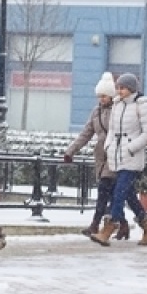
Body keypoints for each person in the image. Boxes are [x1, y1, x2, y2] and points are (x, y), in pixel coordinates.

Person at [91, 72, 147, 246]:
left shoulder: (142, 105)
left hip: (131, 157)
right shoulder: (117, 105)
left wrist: (132, 147)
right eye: (118, 87)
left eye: (122, 88)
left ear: (131, 88)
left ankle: (109, 228)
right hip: (116, 154)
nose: (119, 91)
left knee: (119, 191)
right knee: (128, 194)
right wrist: (108, 145)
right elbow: (112, 130)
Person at [63, 72, 127, 238]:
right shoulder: (96, 112)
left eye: (104, 95)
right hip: (101, 156)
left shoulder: (118, 110)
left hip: (115, 155)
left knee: (104, 191)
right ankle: (123, 224)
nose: (101, 99)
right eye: (99, 96)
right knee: (114, 194)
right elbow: (86, 133)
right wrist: (71, 151)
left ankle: (95, 224)